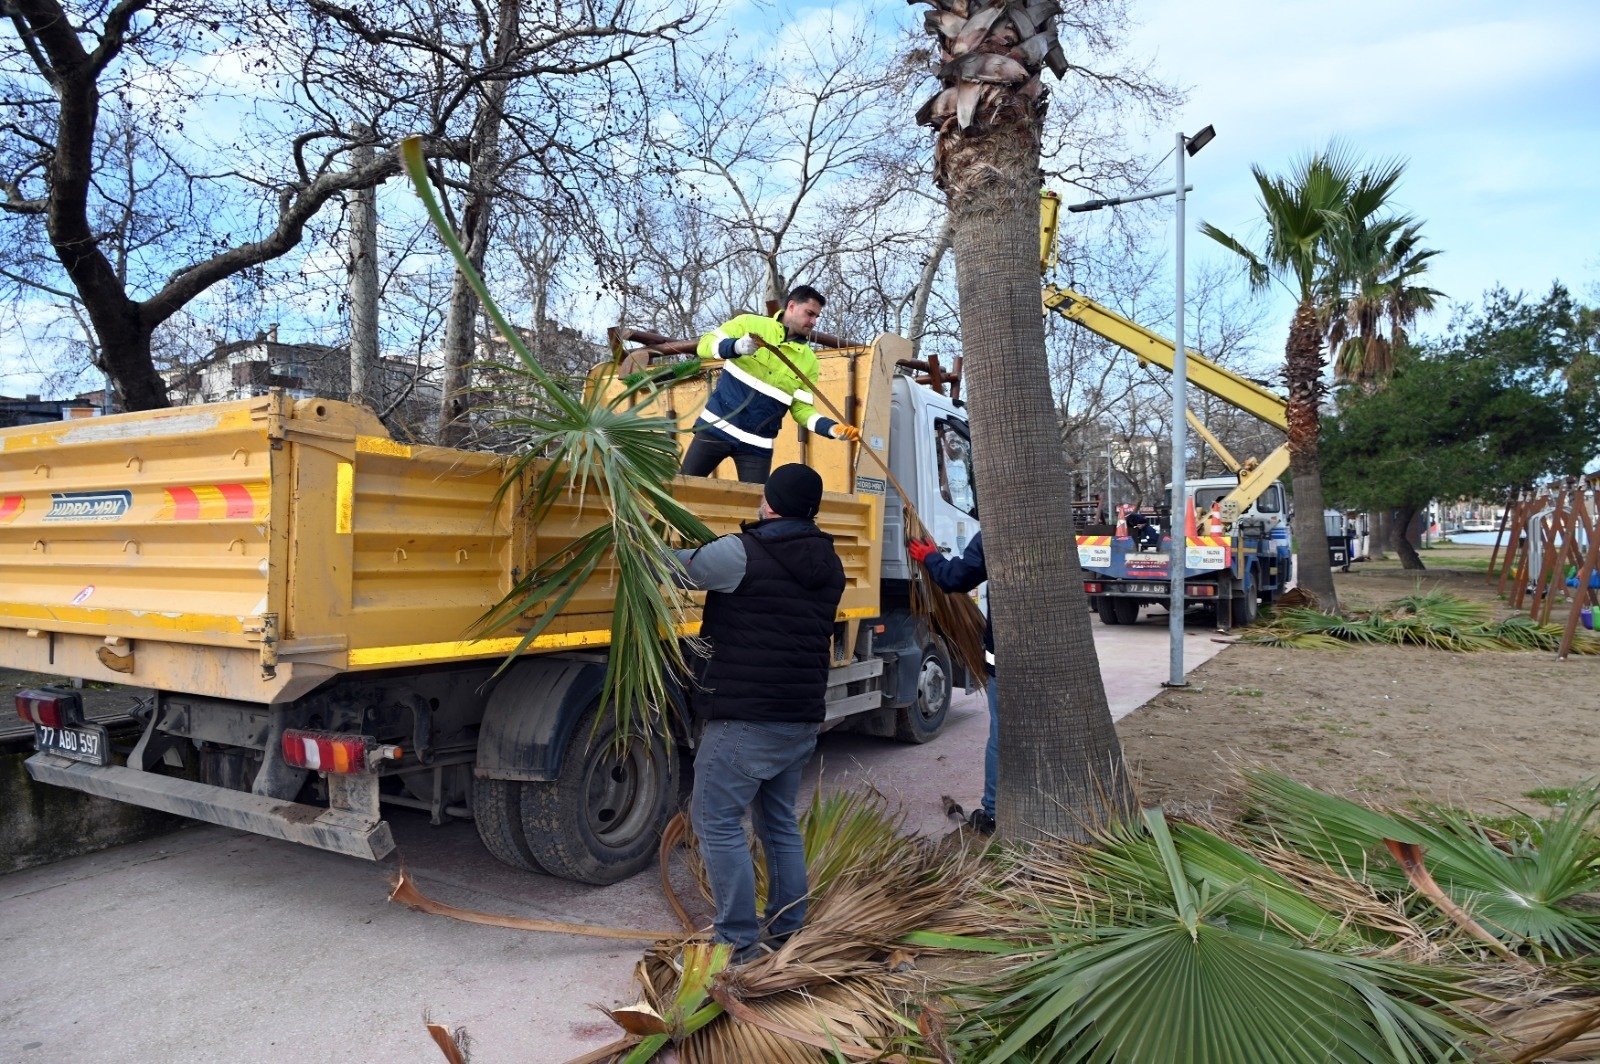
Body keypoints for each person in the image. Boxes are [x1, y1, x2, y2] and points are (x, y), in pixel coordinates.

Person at [668, 463, 847, 963]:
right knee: (777, 822)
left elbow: (680, 567)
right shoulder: (827, 560)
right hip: (801, 714)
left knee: (716, 821)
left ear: (768, 502)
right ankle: (789, 928)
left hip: (747, 717)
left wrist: (639, 539)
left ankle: (739, 943)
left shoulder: (743, 552)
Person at [681, 285, 861, 484]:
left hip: (757, 446)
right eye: (809, 313)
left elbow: (802, 410)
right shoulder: (750, 324)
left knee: (758, 513)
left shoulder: (809, 362)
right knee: (681, 490)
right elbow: (705, 344)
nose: (813, 321)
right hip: (715, 429)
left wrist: (832, 429)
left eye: (816, 317)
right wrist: (735, 346)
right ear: (791, 306)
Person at [906, 532, 996, 835]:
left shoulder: (994, 531)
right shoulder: (1054, 526)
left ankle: (994, 811)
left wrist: (930, 557)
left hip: (1005, 656)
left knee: (1003, 734)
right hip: (1054, 651)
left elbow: (956, 578)